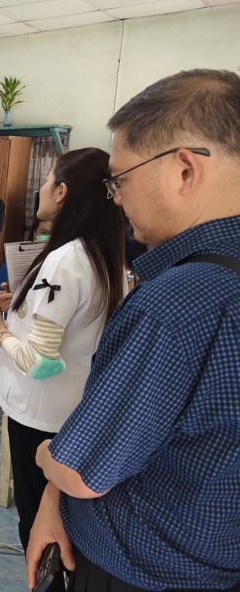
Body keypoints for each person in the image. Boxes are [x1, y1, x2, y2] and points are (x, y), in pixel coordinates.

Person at [26, 69, 240, 592]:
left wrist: (43, 457)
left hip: (136, 567)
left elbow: (83, 471)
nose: (116, 198)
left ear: (184, 170)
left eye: (119, 179)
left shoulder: (179, 303)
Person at [0, 148, 126, 591]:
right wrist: (19, 307)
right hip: (73, 411)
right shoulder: (106, 256)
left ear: (62, 192)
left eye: (46, 180)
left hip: (39, 418)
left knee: (38, 526)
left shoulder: (65, 259)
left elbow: (40, 362)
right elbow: (72, 327)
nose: (40, 189)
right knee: (63, 525)